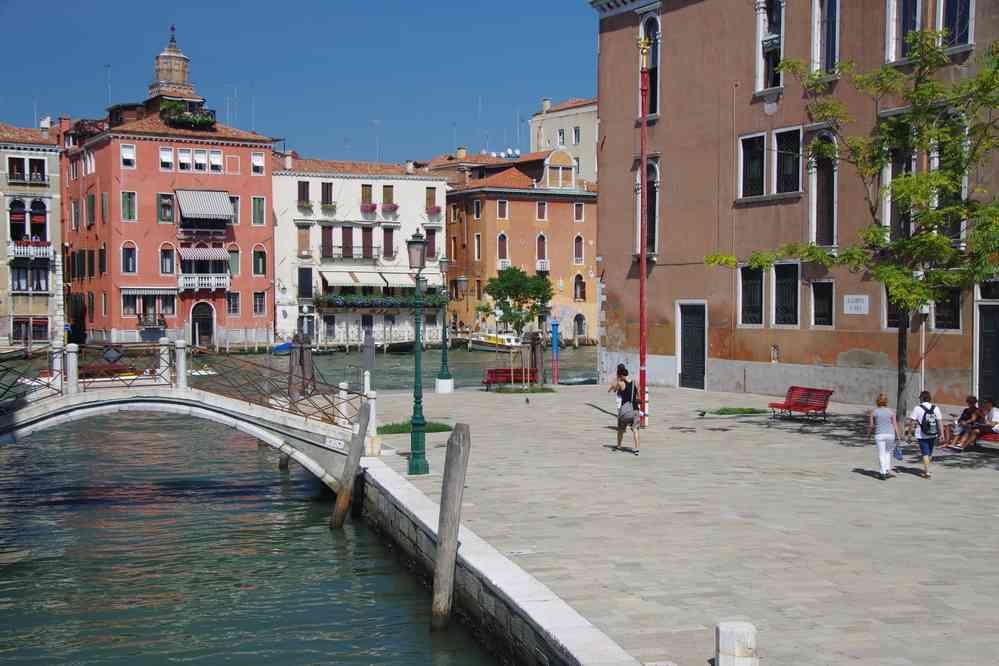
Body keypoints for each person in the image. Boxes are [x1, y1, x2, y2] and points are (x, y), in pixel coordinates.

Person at [908, 390, 943, 479]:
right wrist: (941, 434)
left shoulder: (917, 408)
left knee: (925, 453)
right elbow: (939, 422)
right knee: (929, 453)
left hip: (921, 434)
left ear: (922, 398)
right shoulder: (935, 408)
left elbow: (912, 422)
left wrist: (909, 434)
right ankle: (927, 468)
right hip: (933, 433)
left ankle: (927, 472)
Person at [868, 393, 903, 480]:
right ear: (886, 401)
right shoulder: (891, 411)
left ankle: (882, 472)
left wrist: (868, 434)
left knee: (881, 453)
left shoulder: (874, 412)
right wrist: (898, 436)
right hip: (890, 434)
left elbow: (871, 426)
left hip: (879, 434)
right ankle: (887, 470)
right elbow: (895, 424)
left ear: (877, 401)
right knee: (887, 453)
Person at [608, 363, 640, 455]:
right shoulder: (635, 382)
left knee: (621, 430)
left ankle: (619, 445)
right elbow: (638, 394)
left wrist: (617, 381)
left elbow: (614, 390)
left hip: (625, 411)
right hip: (635, 409)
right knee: (635, 430)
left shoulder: (620, 383)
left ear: (621, 375)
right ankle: (636, 449)